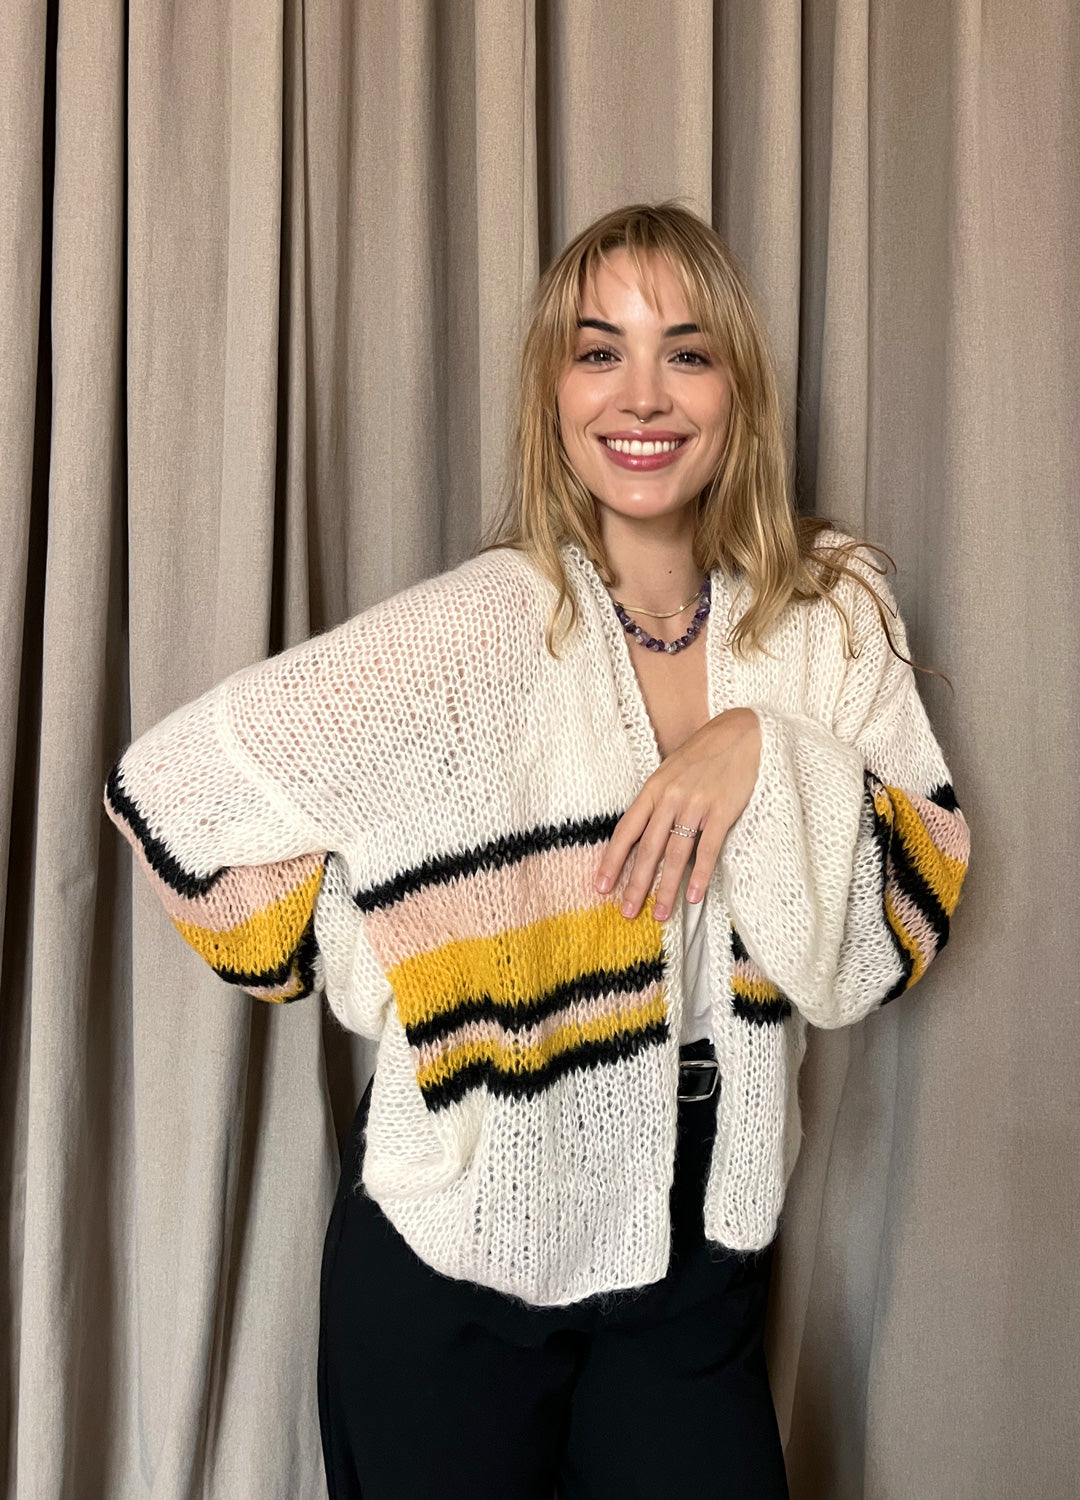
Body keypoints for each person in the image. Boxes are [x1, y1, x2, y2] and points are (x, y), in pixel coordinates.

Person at [102, 200, 971, 1499]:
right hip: (454, 1257)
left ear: (737, 386)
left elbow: (901, 924)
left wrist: (763, 750)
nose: (643, 394)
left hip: (703, 1247)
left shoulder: (829, 614)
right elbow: (171, 794)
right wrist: (388, 948)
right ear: (554, 394)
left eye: (687, 351)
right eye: (597, 350)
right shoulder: (468, 634)